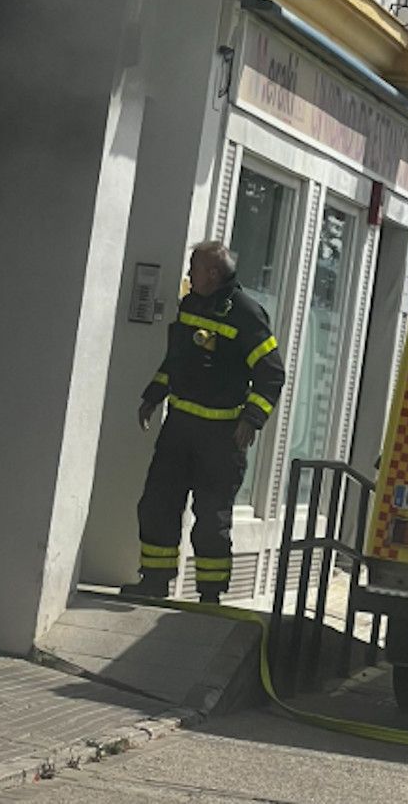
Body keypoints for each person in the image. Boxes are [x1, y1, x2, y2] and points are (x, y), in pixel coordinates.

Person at [122, 242, 285, 604]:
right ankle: (155, 580)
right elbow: (178, 359)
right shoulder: (191, 303)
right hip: (179, 429)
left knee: (211, 517)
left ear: (212, 273)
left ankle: (210, 594)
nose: (188, 274)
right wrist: (153, 396)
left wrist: (252, 419)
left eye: (194, 267)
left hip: (221, 436)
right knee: (157, 503)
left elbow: (271, 374)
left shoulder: (246, 314)